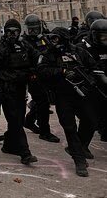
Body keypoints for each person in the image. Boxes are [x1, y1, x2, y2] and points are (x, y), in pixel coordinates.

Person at [38, 27, 103, 177]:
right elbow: (41, 71)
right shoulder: (48, 54)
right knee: (69, 127)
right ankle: (79, 160)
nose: (53, 41)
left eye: (56, 38)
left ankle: (78, 147)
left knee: (91, 120)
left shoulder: (78, 51)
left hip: (81, 93)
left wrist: (88, 80)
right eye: (52, 38)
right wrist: (62, 72)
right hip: (62, 96)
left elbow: (93, 67)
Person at [0, 19, 39, 166]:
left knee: (18, 120)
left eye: (15, 31)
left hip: (21, 88)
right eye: (9, 31)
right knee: (15, 121)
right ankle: (25, 153)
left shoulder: (24, 45)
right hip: (7, 89)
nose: (12, 34)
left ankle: (9, 145)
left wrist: (32, 72)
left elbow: (37, 58)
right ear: (5, 32)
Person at [22, 14, 59, 143]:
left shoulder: (44, 38)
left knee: (43, 101)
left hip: (46, 74)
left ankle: (29, 120)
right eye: (30, 29)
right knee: (42, 102)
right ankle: (45, 131)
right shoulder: (24, 42)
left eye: (36, 29)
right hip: (33, 75)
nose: (33, 32)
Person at [80, 19, 107, 142]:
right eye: (102, 36)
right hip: (92, 84)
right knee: (92, 115)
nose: (104, 39)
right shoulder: (84, 47)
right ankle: (81, 145)